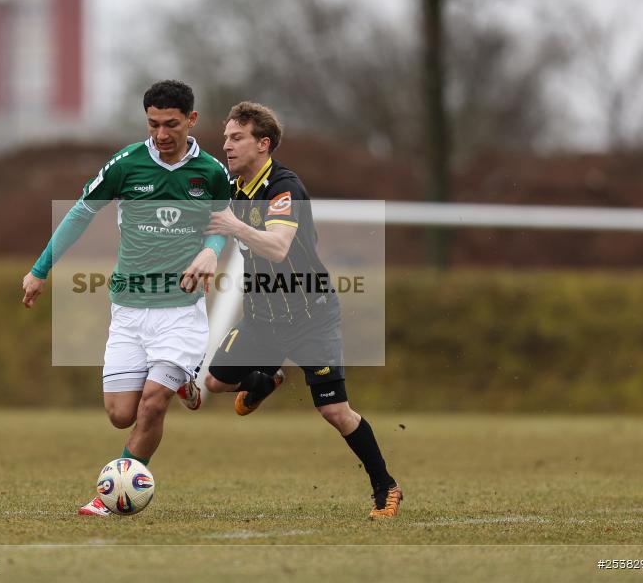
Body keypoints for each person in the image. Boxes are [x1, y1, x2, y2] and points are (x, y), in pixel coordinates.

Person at [22, 80, 232, 516]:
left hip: (180, 311)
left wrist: (210, 254)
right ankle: (184, 385)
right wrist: (40, 269)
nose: (161, 134)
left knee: (152, 405)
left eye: (171, 124)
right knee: (121, 413)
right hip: (129, 309)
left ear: (191, 120)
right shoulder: (126, 164)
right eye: (153, 124)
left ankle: (113, 495)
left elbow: (221, 224)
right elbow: (80, 213)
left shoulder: (211, 172)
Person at [203, 101, 402, 518]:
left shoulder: (283, 186)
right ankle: (268, 378)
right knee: (218, 383)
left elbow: (277, 248)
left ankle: (386, 486)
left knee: (333, 409)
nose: (226, 146)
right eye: (225, 138)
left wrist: (232, 225)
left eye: (236, 138)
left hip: (310, 315)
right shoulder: (230, 185)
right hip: (262, 317)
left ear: (264, 143)